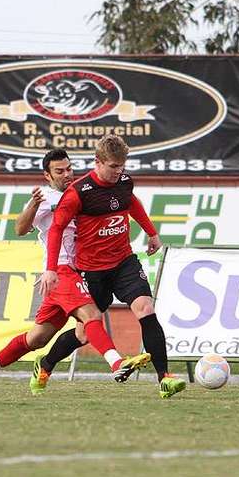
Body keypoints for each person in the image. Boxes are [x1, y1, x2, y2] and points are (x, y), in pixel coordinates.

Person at [0, 148, 151, 395]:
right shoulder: (45, 197)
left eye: (69, 168)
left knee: (38, 338)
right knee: (91, 316)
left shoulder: (81, 191)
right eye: (59, 171)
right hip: (61, 270)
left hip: (78, 270)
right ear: (47, 175)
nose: (67, 174)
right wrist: (32, 206)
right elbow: (20, 229)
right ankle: (117, 364)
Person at [38, 135, 186, 399]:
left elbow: (132, 204)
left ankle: (165, 378)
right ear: (98, 162)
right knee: (83, 334)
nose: (119, 172)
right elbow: (57, 229)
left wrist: (151, 233)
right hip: (91, 270)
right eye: (113, 166)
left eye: (122, 166)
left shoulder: (124, 182)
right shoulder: (78, 192)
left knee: (146, 308)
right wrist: (51, 268)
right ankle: (46, 364)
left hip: (123, 262)